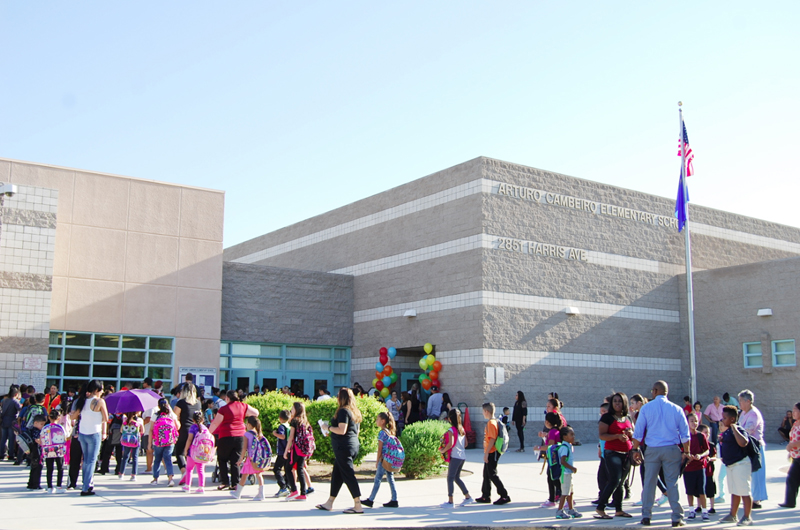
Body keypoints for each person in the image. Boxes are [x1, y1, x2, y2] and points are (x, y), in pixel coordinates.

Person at [631, 380, 691, 527]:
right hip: (671, 448)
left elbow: (638, 432)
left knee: (649, 482)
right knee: (672, 482)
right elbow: (685, 433)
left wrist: (635, 449)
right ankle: (677, 516)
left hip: (652, 449)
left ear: (655, 391)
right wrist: (687, 451)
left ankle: (646, 515)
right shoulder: (677, 409)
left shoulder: (646, 408)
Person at [316, 388, 363, 513]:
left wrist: (328, 427)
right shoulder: (355, 412)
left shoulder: (343, 411)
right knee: (337, 474)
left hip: (343, 447)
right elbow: (355, 432)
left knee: (348, 474)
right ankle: (329, 502)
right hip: (352, 445)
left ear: (341, 398)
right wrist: (332, 432)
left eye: (338, 396)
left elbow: (342, 430)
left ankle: (358, 505)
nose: (336, 398)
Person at [207, 390, 259, 491]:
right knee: (236, 461)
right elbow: (256, 413)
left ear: (227, 398)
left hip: (226, 435)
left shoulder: (223, 409)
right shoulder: (243, 406)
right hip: (240, 436)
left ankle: (225, 482)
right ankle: (235, 483)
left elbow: (215, 423)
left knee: (222, 459)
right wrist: (244, 415)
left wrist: (208, 433)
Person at [595, 392, 634, 520]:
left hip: (626, 454)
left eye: (620, 401)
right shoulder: (607, 418)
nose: (617, 403)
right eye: (615, 401)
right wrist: (617, 436)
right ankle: (601, 507)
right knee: (614, 480)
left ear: (624, 403)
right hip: (612, 453)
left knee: (621, 482)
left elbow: (634, 434)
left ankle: (619, 509)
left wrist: (630, 433)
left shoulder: (627, 417)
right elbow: (602, 435)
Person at [70, 380, 108, 496]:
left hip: (82, 433)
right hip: (94, 433)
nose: (102, 392)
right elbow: (106, 418)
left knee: (86, 460)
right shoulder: (99, 401)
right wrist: (96, 420)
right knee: (91, 461)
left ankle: (87, 483)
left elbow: (73, 416)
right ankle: (86, 487)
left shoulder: (82, 401)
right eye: (101, 389)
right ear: (96, 390)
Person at [718, 405, 753, 526]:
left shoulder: (738, 429)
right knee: (735, 491)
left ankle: (747, 516)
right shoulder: (727, 431)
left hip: (741, 464)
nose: (722, 420)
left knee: (744, 491)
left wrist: (734, 428)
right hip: (731, 465)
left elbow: (743, 442)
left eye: (725, 418)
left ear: (732, 419)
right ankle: (733, 515)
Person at [475, 402, 510, 505]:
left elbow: (492, 439)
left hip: (492, 452)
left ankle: (504, 495)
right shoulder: (494, 421)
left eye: (483, 412)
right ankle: (485, 495)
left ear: (486, 411)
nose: (483, 414)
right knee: (486, 474)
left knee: (492, 474)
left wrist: (486, 453)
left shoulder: (491, 423)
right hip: (491, 451)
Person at [362, 411, 399, 508]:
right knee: (390, 478)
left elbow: (380, 448)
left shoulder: (382, 433)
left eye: (377, 419)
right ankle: (394, 499)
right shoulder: (389, 431)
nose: (376, 421)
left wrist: (377, 460)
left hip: (383, 459)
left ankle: (371, 499)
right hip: (389, 459)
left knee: (378, 478)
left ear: (383, 421)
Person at [439, 408, 474, 508]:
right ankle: (467, 496)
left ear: (449, 419)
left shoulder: (451, 430)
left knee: (450, 478)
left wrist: (443, 450)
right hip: (462, 456)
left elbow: (450, 444)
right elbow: (466, 443)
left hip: (455, 456)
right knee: (456, 477)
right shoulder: (462, 429)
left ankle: (450, 501)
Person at [737, 389, 767, 508]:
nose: (739, 403)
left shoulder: (754, 414)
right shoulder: (743, 413)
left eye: (741, 401)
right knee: (747, 473)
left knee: (757, 473)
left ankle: (757, 499)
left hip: (755, 447)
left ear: (748, 401)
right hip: (746, 447)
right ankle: (749, 497)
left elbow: (748, 430)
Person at [682, 412, 710, 521]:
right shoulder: (684, 436)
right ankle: (691, 510)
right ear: (687, 422)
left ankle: (704, 511)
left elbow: (707, 450)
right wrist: (686, 455)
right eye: (692, 421)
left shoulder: (701, 435)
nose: (694, 423)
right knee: (689, 490)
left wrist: (700, 455)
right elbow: (680, 450)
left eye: (696, 421)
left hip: (700, 466)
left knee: (701, 490)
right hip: (688, 467)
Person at [283, 402, 314, 501]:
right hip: (304, 449)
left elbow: (291, 436)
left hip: (296, 448)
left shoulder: (294, 421)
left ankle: (294, 490)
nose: (291, 410)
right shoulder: (305, 421)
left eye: (293, 408)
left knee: (288, 468)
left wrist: (286, 450)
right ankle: (303, 493)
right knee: (300, 469)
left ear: (297, 410)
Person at [233, 416, 267, 500]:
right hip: (258, 458)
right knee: (259, 474)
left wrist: (241, 458)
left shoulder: (247, 434)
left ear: (248, 424)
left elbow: (244, 448)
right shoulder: (259, 434)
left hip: (250, 458)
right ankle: (261, 493)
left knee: (244, 475)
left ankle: (238, 493)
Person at [534, 412, 563, 507]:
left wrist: (539, 447)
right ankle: (556, 497)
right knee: (553, 477)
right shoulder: (556, 431)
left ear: (547, 422)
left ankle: (555, 498)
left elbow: (550, 446)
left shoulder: (552, 432)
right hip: (556, 458)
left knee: (553, 478)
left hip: (553, 459)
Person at [173, 383, 201, 480]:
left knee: (179, 452)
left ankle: (184, 471)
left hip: (183, 429)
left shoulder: (181, 402)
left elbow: (174, 417)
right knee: (190, 452)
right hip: (195, 430)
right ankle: (190, 473)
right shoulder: (198, 403)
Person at [150, 398, 179, 486]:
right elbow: (177, 427)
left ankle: (155, 479)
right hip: (170, 441)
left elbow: (151, 429)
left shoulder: (155, 415)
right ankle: (170, 479)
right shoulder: (171, 415)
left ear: (158, 406)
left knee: (157, 459)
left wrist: (149, 442)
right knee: (168, 459)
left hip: (158, 441)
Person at [182, 410, 212, 494]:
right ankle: (201, 487)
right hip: (202, 452)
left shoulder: (193, 427)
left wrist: (185, 450)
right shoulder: (205, 429)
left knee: (189, 469)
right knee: (201, 470)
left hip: (192, 452)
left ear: (193, 419)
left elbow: (189, 439)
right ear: (202, 419)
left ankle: (187, 486)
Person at [556, 426, 582, 519]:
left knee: (570, 493)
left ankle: (571, 509)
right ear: (564, 436)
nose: (573, 436)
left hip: (568, 473)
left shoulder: (569, 446)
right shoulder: (564, 448)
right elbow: (562, 461)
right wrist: (572, 468)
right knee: (565, 493)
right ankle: (560, 511)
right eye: (571, 434)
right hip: (565, 474)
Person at [41, 409, 68, 493]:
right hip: (59, 449)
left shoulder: (45, 427)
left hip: (48, 449)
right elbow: (65, 437)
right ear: (59, 418)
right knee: (60, 467)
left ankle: (49, 487)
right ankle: (59, 486)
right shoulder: (60, 427)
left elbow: (41, 438)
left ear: (49, 417)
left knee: (49, 468)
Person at [779, 401, 800, 508]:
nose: (793, 412)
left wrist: (792, 445)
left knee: (792, 478)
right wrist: (791, 452)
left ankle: (790, 502)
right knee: (792, 479)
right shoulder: (796, 423)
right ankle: (790, 501)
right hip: (796, 456)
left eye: (795, 410)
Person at [591, 402, 611, 505]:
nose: (602, 414)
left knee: (610, 478)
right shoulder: (602, 422)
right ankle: (602, 497)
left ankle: (608, 498)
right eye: (601, 412)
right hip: (604, 453)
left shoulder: (611, 422)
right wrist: (599, 448)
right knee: (601, 477)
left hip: (610, 454)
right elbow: (601, 439)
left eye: (604, 412)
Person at [696, 423, 717, 513]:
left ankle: (712, 506)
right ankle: (699, 506)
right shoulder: (698, 445)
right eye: (705, 433)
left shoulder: (711, 445)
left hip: (709, 471)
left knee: (710, 488)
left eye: (708, 433)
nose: (708, 434)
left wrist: (710, 458)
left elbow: (715, 457)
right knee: (699, 488)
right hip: (700, 470)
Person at [118, 411, 144, 481]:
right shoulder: (139, 420)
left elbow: (121, 430)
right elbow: (142, 431)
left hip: (126, 441)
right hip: (135, 441)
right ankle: (133, 475)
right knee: (135, 457)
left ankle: (121, 473)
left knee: (125, 456)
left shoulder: (125, 420)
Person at [272, 409, 291, 497]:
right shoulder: (289, 426)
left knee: (276, 469)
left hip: (282, 451)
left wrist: (275, 434)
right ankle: (287, 486)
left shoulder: (281, 427)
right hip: (289, 450)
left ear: (280, 418)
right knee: (287, 469)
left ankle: (283, 486)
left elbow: (282, 436)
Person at [26, 414, 47, 490]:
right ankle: (36, 484)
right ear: (35, 423)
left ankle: (31, 483)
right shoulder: (36, 431)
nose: (42, 426)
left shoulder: (30, 429)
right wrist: (45, 443)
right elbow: (37, 440)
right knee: (38, 467)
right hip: (36, 451)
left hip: (32, 451)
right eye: (41, 424)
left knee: (34, 467)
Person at [1, 386, 21, 461]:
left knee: (3, 439)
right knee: (11, 439)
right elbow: (20, 410)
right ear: (16, 394)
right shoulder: (15, 401)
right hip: (12, 421)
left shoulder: (4, 400)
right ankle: (11, 454)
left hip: (4, 420)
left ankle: (1, 454)